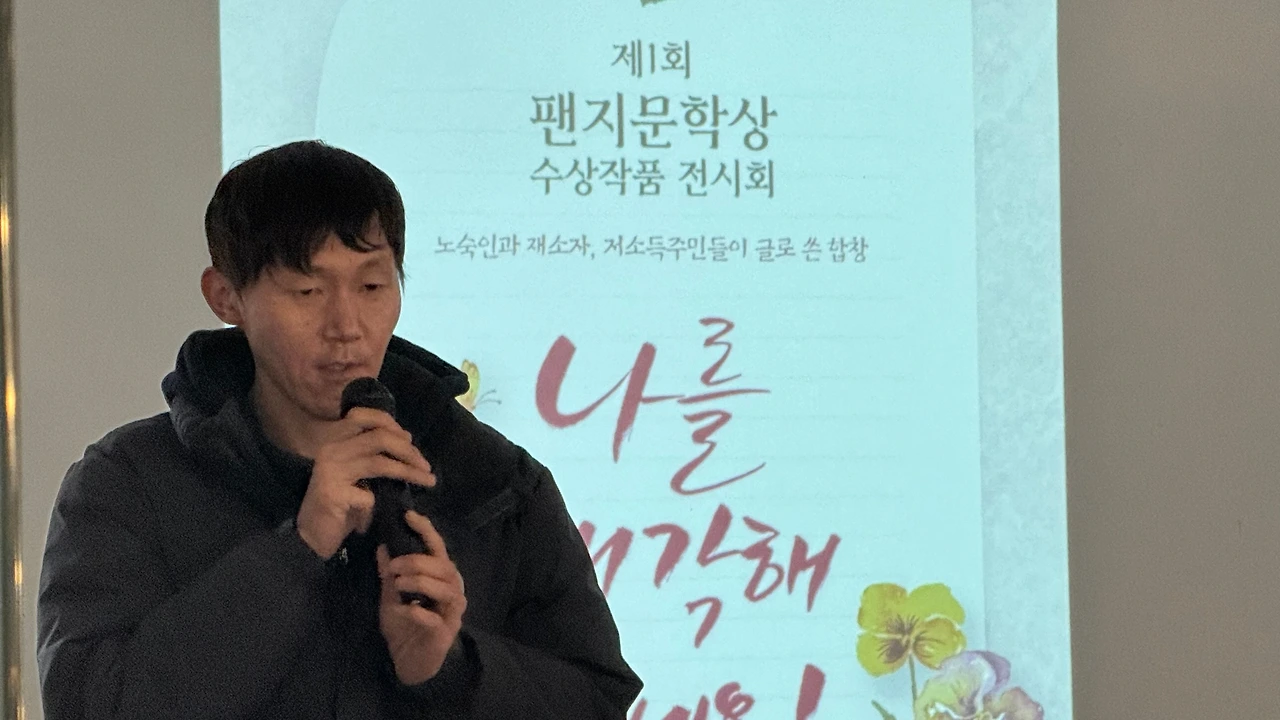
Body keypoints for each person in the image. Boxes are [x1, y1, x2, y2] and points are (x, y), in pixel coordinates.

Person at [36, 140, 643, 719]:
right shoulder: (130, 483)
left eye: (372, 286)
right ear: (226, 297)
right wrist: (299, 549)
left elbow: (596, 700)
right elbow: (89, 704)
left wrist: (451, 669)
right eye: (307, 290)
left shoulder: (496, 484)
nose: (346, 325)